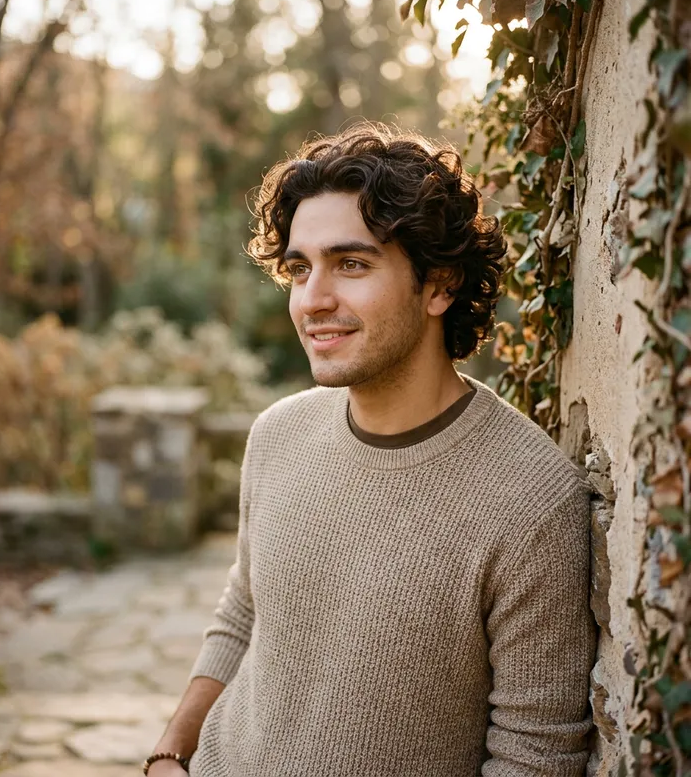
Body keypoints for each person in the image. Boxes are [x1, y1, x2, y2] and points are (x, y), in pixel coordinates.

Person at [144, 121, 596, 777]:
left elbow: (537, 753)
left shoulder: (533, 501)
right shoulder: (277, 436)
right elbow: (244, 612)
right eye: (300, 269)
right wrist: (169, 753)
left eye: (351, 264)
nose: (313, 300)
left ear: (439, 284)